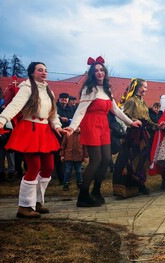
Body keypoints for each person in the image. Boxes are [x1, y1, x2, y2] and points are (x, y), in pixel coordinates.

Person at [64, 56, 141, 207]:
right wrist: (72, 127)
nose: (99, 73)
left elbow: (116, 110)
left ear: (104, 72)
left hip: (103, 126)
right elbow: (80, 110)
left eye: (101, 70)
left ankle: (96, 191)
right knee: (96, 160)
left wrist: (131, 122)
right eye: (96, 71)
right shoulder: (89, 89)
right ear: (92, 74)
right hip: (91, 124)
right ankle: (83, 196)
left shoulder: (107, 89)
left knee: (106, 159)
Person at [0, 61, 66, 218]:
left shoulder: (49, 91)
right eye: (40, 70)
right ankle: (24, 206)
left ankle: (37, 202)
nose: (44, 72)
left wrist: (57, 126)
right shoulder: (26, 88)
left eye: (46, 70)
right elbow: (15, 105)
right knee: (34, 167)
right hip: (30, 129)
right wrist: (1, 119)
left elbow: (53, 114)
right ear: (32, 73)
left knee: (48, 167)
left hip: (45, 131)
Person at [112, 78, 160, 198]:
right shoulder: (131, 101)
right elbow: (125, 116)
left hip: (143, 135)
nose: (146, 89)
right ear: (138, 87)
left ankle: (140, 184)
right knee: (131, 161)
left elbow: (148, 120)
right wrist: (134, 121)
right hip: (133, 136)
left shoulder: (142, 102)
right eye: (144, 87)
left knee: (141, 161)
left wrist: (157, 126)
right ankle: (127, 188)